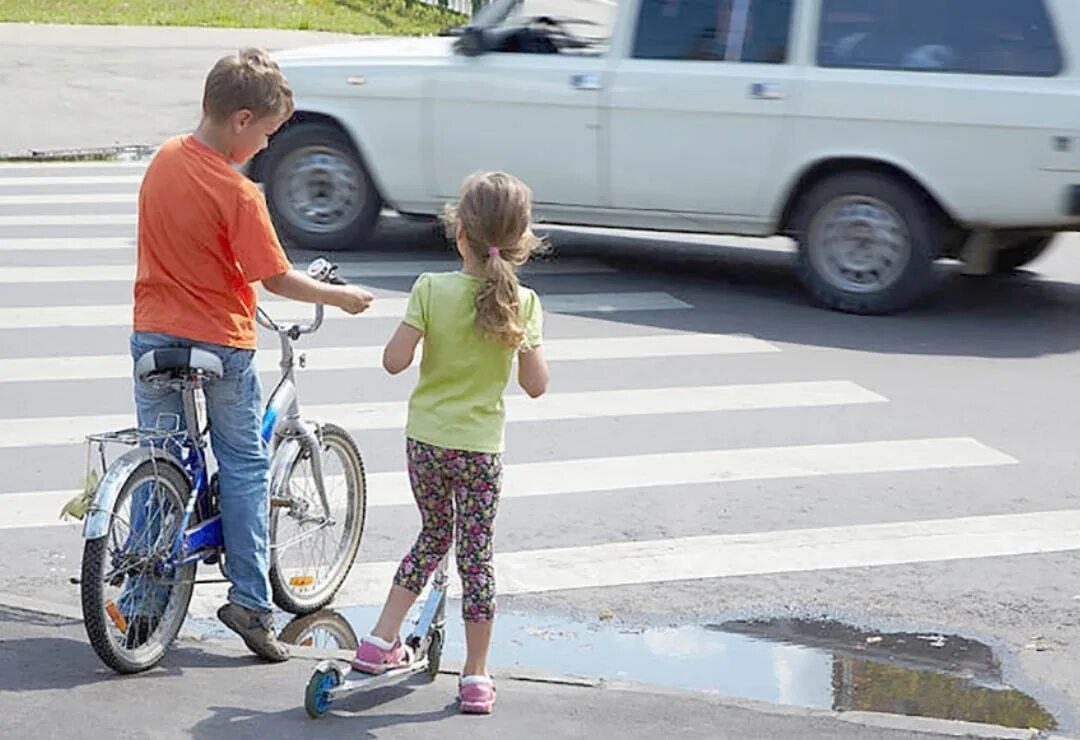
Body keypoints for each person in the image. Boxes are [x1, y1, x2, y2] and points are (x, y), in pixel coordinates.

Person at [129, 48, 375, 661]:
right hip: (220, 343)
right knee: (243, 465)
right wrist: (339, 297)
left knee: (162, 458)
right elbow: (277, 280)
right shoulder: (239, 194)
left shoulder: (162, 158)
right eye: (265, 133)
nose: (266, 147)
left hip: (153, 336)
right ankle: (252, 604)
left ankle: (139, 601)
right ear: (241, 120)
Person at [351, 171, 550, 714]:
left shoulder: (429, 289)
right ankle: (476, 675)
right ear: (522, 241)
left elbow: (393, 362)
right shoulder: (524, 303)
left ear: (458, 231)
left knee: (434, 534)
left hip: (426, 442)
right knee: (476, 554)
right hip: (481, 450)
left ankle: (378, 639)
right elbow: (535, 386)